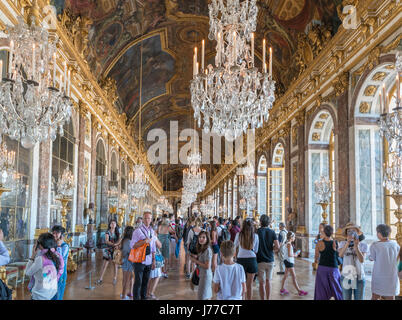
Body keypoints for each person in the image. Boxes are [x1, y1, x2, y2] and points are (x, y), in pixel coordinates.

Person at [26, 233, 64, 300]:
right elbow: (60, 270)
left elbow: (28, 272)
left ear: (40, 245)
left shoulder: (40, 259)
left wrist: (32, 256)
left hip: (40, 295)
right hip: (51, 292)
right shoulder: (57, 255)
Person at [369, 224, 400, 300]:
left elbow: (371, 258)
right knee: (391, 296)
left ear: (379, 234)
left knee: (375, 296)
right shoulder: (395, 244)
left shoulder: (375, 245)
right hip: (392, 275)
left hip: (379, 275)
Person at [338, 223, 368, 300]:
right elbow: (340, 255)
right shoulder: (342, 243)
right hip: (346, 276)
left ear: (357, 232)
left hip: (359, 276)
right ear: (346, 233)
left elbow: (362, 260)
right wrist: (347, 243)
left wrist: (356, 246)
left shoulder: (363, 245)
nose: (351, 233)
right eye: (349, 231)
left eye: (353, 231)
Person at [130, 211, 156, 300]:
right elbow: (132, 245)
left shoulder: (152, 231)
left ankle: (143, 298)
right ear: (142, 219)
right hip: (139, 260)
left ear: (151, 220)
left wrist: (154, 260)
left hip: (148, 260)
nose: (147, 220)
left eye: (149, 218)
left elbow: (153, 247)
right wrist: (144, 242)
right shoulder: (137, 231)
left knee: (145, 282)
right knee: (138, 282)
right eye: (145, 218)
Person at [314, 225, 343, 300]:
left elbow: (316, 257)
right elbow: (339, 255)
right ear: (332, 233)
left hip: (322, 268)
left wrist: (316, 261)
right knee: (337, 289)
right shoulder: (335, 242)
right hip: (333, 268)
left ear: (324, 232)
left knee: (321, 291)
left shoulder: (319, 243)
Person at [234, 219, 259, 300]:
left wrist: (234, 258)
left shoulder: (239, 235)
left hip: (241, 259)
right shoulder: (255, 236)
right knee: (250, 285)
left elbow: (234, 246)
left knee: (241, 284)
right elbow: (256, 250)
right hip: (252, 260)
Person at [257, 215, 279, 300]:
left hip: (260, 260)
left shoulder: (257, 231)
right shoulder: (272, 232)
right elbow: (277, 246)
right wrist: (271, 249)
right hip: (270, 260)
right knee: (268, 281)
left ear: (260, 222)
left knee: (261, 283)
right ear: (269, 223)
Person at [279, 231, 308, 296]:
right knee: (294, 277)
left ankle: (282, 289)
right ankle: (299, 291)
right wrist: (296, 254)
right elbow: (289, 254)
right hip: (289, 261)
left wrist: (294, 254)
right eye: (294, 236)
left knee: (285, 276)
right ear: (291, 237)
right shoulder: (289, 244)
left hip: (287, 261)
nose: (294, 238)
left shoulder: (287, 243)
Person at [189, 231, 212, 300]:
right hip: (202, 274)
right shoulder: (202, 248)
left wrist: (195, 261)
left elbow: (207, 266)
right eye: (200, 237)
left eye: (203, 237)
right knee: (205, 295)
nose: (201, 239)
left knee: (202, 296)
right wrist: (196, 257)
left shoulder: (207, 250)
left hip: (205, 275)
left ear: (207, 239)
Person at [96, 219, 120, 285]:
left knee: (115, 264)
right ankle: (100, 278)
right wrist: (113, 244)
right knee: (104, 265)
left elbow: (119, 240)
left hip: (115, 250)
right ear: (110, 225)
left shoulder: (117, 233)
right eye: (112, 223)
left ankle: (115, 278)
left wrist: (117, 245)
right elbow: (106, 241)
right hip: (108, 249)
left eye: (114, 223)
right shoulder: (107, 232)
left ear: (116, 225)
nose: (113, 224)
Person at [51, 225, 69, 300]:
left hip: (60, 272)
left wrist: (58, 246)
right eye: (53, 233)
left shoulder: (64, 246)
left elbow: (59, 259)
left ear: (61, 234)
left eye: (57, 233)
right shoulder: (51, 244)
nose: (55, 235)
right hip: (51, 271)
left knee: (58, 294)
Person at [120, 226, 134, 300]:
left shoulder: (125, 240)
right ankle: (123, 296)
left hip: (127, 261)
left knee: (129, 278)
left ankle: (127, 293)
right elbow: (126, 252)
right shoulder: (128, 241)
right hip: (127, 261)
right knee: (126, 279)